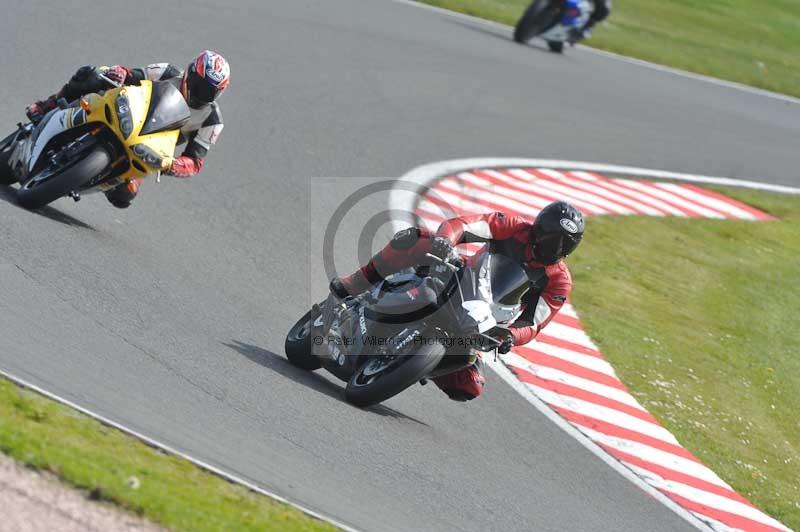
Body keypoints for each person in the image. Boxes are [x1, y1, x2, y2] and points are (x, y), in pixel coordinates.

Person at [330, 201, 585, 402]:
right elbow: (463, 224)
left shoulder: (558, 280)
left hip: (484, 319)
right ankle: (357, 281)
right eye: (553, 239)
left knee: (470, 385)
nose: (556, 248)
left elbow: (534, 323)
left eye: (566, 245)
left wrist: (509, 336)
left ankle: (414, 364)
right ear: (538, 229)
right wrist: (445, 241)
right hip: (461, 280)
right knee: (416, 239)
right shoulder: (513, 227)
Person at [25, 50, 230, 208]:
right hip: (130, 112)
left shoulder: (212, 121)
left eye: (209, 91)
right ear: (190, 73)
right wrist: (120, 73)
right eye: (199, 84)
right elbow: (131, 74)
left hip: (149, 147)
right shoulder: (167, 72)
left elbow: (194, 161)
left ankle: (92, 177)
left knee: (124, 196)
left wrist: (173, 165)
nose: (200, 93)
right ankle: (48, 105)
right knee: (91, 75)